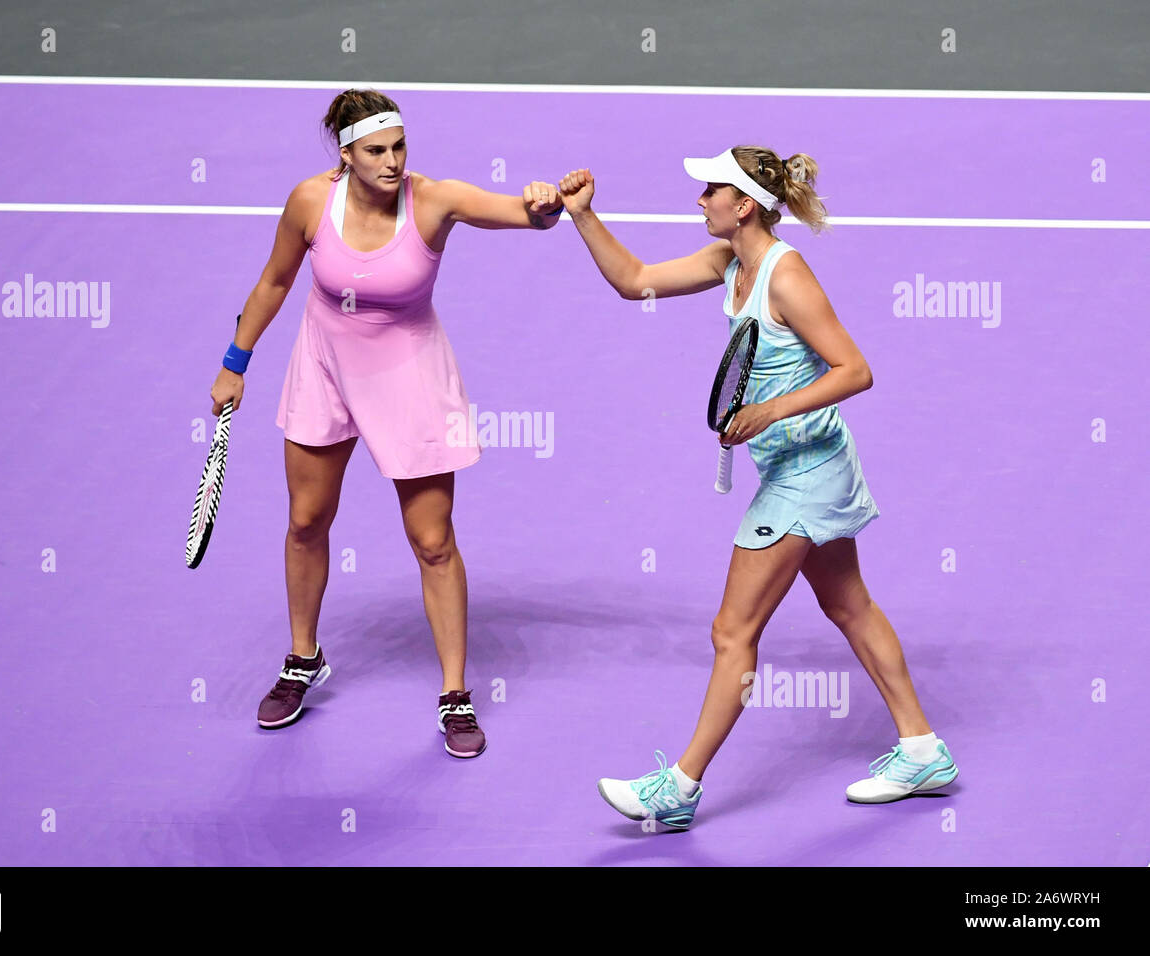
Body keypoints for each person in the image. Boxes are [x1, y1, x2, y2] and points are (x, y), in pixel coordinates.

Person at [557, 147, 958, 827]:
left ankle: (678, 790)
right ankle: (922, 749)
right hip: (799, 467)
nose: (699, 200)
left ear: (743, 204)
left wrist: (771, 409)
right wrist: (583, 215)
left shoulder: (786, 275)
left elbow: (855, 370)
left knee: (732, 630)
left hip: (806, 473)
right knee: (851, 607)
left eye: (710, 190)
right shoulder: (728, 264)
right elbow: (634, 280)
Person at [209, 89, 564, 758]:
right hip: (324, 368)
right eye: (376, 150)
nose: (393, 161)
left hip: (408, 376)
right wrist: (235, 363)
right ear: (346, 155)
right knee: (307, 522)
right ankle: (302, 657)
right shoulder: (311, 201)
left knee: (432, 540)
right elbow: (276, 282)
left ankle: (455, 695)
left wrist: (545, 203)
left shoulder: (435, 200)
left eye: (399, 146)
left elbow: (527, 215)